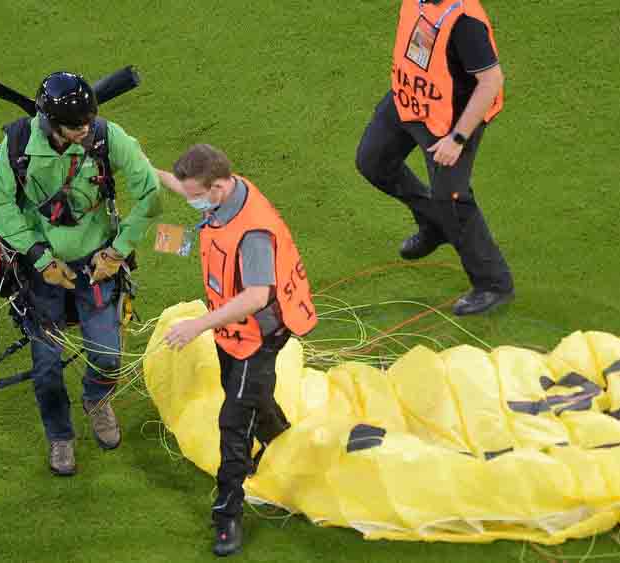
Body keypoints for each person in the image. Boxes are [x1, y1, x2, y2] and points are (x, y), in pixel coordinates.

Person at [0, 71, 162, 476]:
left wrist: (118, 253)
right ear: (49, 123)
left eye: (87, 125)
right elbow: (0, 206)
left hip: (97, 268)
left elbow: (151, 191)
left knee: (107, 355)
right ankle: (60, 436)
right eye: (75, 128)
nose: (84, 133)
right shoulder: (17, 145)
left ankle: (97, 400)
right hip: (40, 273)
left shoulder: (106, 136)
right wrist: (40, 257)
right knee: (47, 365)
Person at [157, 144, 316, 557]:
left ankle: (227, 515)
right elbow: (182, 186)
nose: (190, 200)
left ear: (220, 187)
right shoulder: (226, 195)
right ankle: (283, 442)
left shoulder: (254, 235)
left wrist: (198, 325)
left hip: (256, 335)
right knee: (249, 395)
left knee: (233, 420)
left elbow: (257, 296)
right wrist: (143, 166)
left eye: (195, 194)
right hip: (232, 331)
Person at [355, 0, 514, 315]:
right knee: (373, 162)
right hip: (409, 101)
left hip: (450, 120)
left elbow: (491, 82)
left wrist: (457, 138)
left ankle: (493, 283)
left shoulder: (466, 22)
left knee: (451, 199)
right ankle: (435, 224)